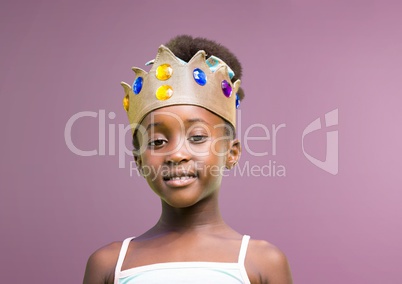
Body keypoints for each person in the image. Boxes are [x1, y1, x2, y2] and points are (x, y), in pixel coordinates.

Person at [83, 35, 293, 284]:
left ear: (232, 153)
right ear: (139, 161)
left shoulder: (262, 262)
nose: (177, 154)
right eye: (157, 141)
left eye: (197, 137)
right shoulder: (109, 265)